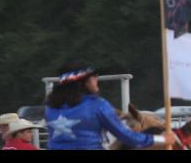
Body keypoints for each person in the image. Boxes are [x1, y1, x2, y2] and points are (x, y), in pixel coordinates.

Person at [44, 61, 177, 150]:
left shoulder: (50, 108)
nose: (96, 80)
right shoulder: (97, 105)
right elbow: (126, 136)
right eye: (93, 77)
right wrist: (162, 138)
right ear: (84, 82)